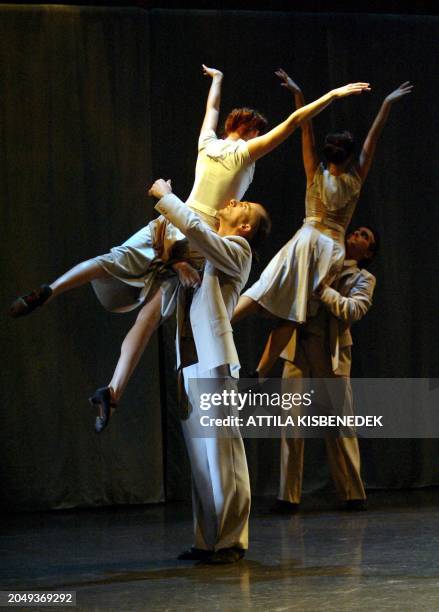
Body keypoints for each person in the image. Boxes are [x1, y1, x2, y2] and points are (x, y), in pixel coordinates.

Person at [11, 65, 369, 431]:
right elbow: (294, 122)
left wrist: (217, 81)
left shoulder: (207, 143)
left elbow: (211, 110)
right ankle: (135, 386)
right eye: (256, 130)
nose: (258, 135)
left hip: (168, 222)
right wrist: (334, 95)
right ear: (246, 128)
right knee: (152, 319)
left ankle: (56, 297)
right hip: (195, 237)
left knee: (111, 265)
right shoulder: (243, 153)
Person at [232, 70, 411, 379]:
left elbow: (306, 130)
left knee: (264, 287)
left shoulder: (316, 172)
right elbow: (372, 140)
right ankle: (260, 372)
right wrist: (386, 105)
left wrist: (299, 95)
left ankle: (220, 325)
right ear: (348, 156)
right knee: (295, 313)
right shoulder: (355, 179)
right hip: (331, 249)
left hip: (307, 238)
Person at [148, 177, 270, 564]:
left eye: (241, 205)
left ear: (246, 226)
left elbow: (199, 230)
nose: (232, 200)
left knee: (222, 452)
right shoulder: (207, 255)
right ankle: (208, 540)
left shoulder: (238, 248)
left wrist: (169, 199)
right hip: (190, 360)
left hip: (214, 359)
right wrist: (178, 263)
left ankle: (231, 541)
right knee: (200, 457)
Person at [273, 225, 378, 514]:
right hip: (298, 346)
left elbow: (353, 310)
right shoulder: (321, 258)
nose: (356, 234)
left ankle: (352, 493)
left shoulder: (363, 278)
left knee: (339, 424)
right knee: (290, 422)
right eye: (356, 231)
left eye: (364, 236)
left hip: (330, 352)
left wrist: (323, 289)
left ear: (368, 252)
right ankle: (288, 496)